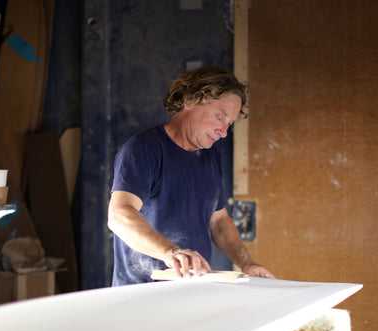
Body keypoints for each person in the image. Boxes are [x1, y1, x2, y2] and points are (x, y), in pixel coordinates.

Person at [107, 66, 275, 286]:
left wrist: (246, 263)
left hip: (192, 289)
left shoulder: (210, 155)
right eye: (219, 117)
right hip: (142, 294)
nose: (224, 132)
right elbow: (119, 215)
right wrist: (171, 253)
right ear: (190, 101)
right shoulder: (143, 149)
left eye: (230, 124)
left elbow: (219, 220)